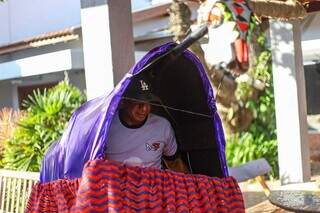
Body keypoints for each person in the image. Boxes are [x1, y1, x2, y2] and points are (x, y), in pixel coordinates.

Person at [105, 77, 188, 173]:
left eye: (148, 103)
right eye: (138, 103)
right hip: (117, 185)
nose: (144, 109)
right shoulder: (106, 127)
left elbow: (174, 163)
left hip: (152, 186)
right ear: (124, 102)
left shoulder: (162, 126)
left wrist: (192, 184)